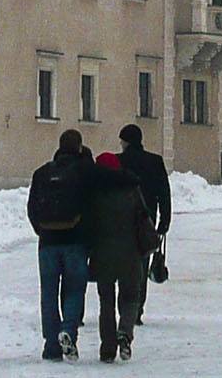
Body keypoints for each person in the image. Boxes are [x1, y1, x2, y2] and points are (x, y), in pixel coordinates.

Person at [28, 129, 100, 361]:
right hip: (75, 241)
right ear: (79, 148)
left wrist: (42, 230)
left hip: (47, 242)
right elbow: (92, 207)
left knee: (48, 293)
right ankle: (68, 330)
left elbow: (32, 208)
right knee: (74, 289)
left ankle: (51, 344)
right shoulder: (84, 172)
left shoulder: (41, 173)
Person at [83, 151, 152, 363]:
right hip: (130, 252)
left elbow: (89, 224)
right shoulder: (132, 188)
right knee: (131, 297)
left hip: (103, 253)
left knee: (106, 301)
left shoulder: (94, 192)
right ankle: (125, 332)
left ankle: (107, 348)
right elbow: (143, 217)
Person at [116, 125, 171, 320]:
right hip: (146, 221)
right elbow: (164, 193)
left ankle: (125, 306)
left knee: (123, 265)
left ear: (126, 141)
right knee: (141, 263)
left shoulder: (118, 161)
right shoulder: (154, 162)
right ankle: (137, 308)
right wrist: (164, 221)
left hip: (121, 220)